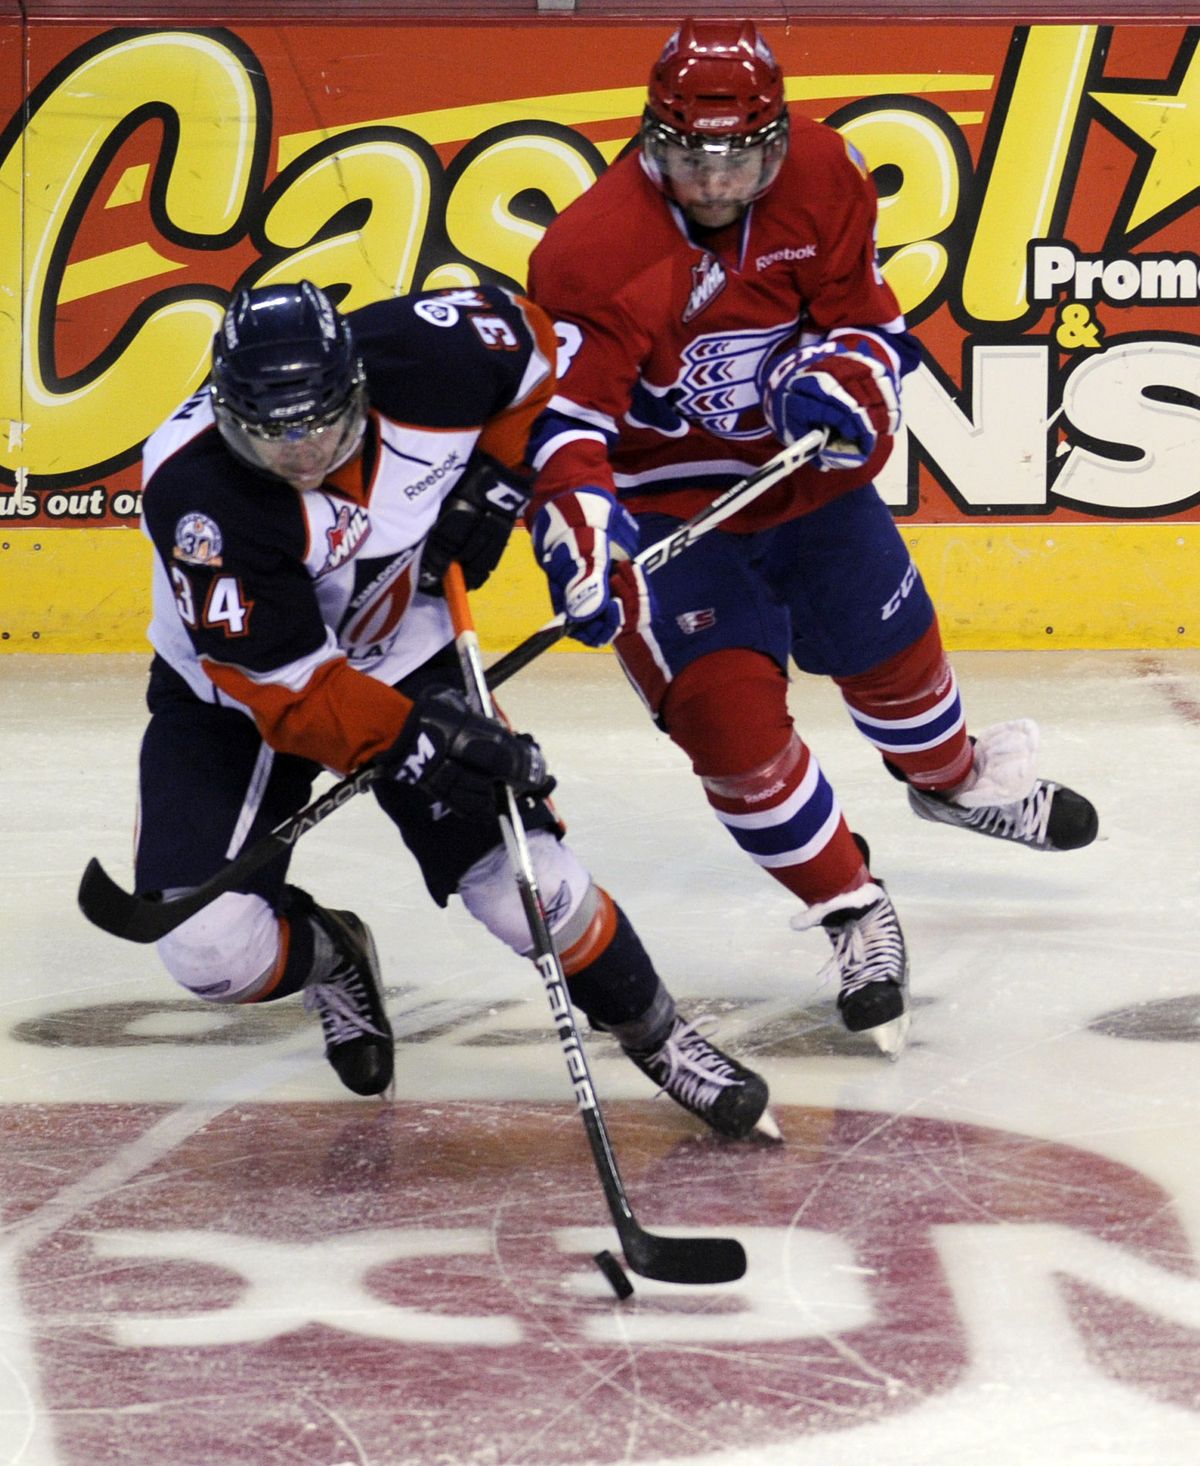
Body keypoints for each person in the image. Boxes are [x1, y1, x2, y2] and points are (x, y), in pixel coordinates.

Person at [524, 18, 1098, 1057]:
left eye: (738, 155)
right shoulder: (590, 250)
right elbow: (567, 426)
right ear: (653, 140)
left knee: (897, 660)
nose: (715, 180)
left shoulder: (826, 173)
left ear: (775, 139)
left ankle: (953, 782)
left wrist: (842, 384)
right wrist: (578, 528)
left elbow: (864, 323)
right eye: (691, 157)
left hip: (799, 481)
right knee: (728, 730)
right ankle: (850, 907)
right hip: (668, 514)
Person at [129, 276, 776, 1141]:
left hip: (403, 644)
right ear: (228, 413)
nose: (306, 454)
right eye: (273, 438)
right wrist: (418, 741)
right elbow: (289, 694)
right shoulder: (195, 493)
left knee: (529, 888)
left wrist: (513, 483)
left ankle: (659, 1035)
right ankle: (335, 954)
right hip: (237, 694)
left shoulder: (433, 352)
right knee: (209, 953)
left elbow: (548, 366)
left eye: (324, 422)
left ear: (358, 382)